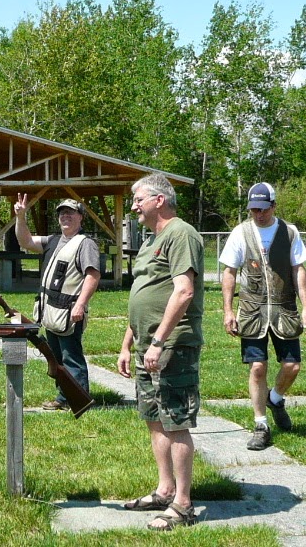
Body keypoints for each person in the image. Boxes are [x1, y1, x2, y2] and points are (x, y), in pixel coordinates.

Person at [117, 173, 203, 531]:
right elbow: (144, 290)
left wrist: (158, 341)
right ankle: (165, 489)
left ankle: (182, 504)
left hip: (171, 345)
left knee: (176, 421)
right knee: (154, 418)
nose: (134, 205)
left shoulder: (181, 234)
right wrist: (127, 343)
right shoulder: (152, 239)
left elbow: (183, 292)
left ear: (159, 200)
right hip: (145, 344)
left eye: (138, 199)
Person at [219, 182, 306, 451]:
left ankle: (275, 398)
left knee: (292, 366)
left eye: (262, 209)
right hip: (252, 311)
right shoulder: (241, 233)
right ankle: (260, 424)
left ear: (273, 206)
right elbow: (229, 272)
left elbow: (299, 270)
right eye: (253, 209)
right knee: (258, 367)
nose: (258, 214)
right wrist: (228, 310)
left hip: (285, 310)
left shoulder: (289, 232)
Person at [13, 194, 101, 410]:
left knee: (71, 357)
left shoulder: (85, 244)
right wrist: (21, 216)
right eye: (62, 212)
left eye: (70, 212)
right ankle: (64, 397)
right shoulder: (53, 240)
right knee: (56, 358)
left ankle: (79, 399)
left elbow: (92, 276)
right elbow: (25, 241)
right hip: (51, 310)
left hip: (70, 311)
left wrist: (80, 304)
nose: (65, 216)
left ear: (81, 217)